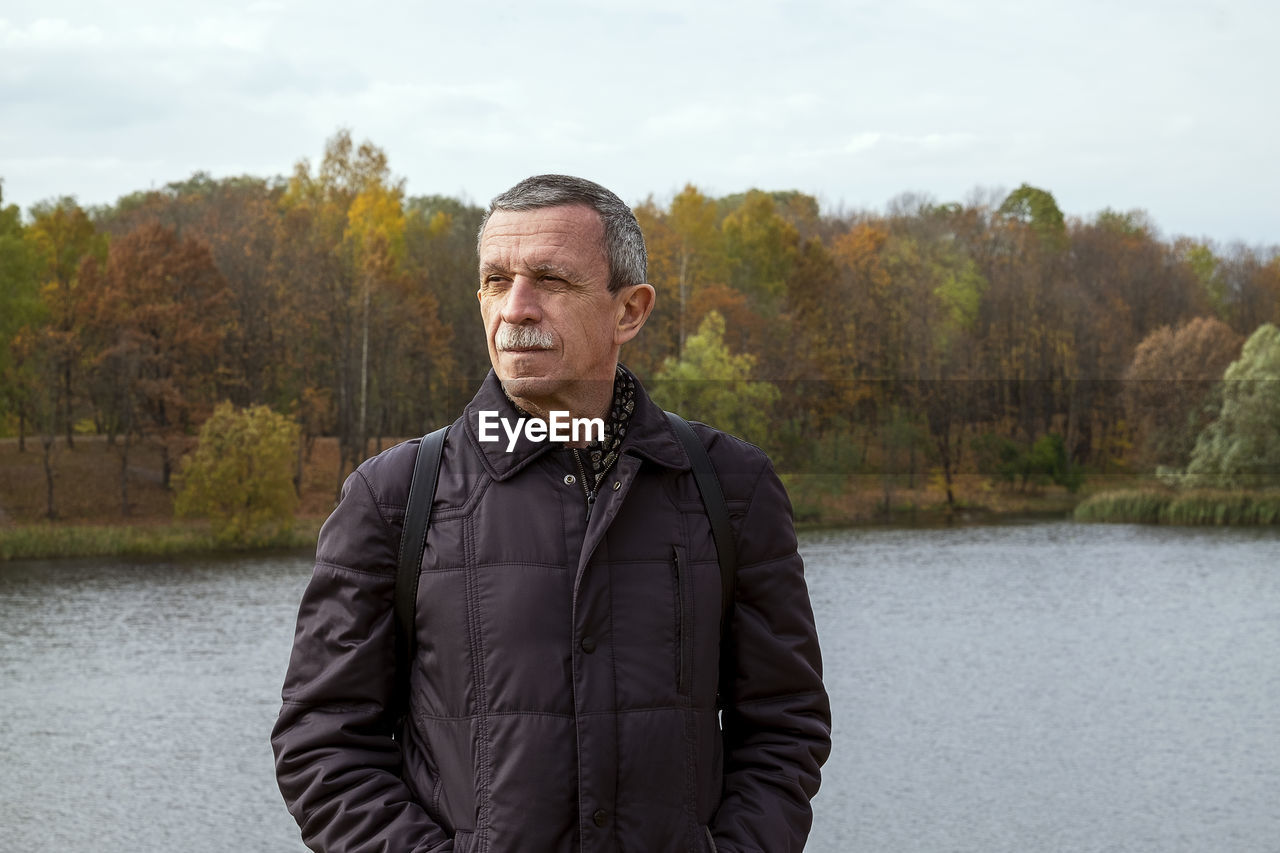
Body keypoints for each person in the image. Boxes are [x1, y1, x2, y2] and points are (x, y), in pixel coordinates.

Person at [271, 175, 831, 853]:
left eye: (550, 280)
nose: (515, 308)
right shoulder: (392, 498)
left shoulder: (730, 487)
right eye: (495, 280)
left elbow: (783, 725)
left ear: (629, 310)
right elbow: (322, 744)